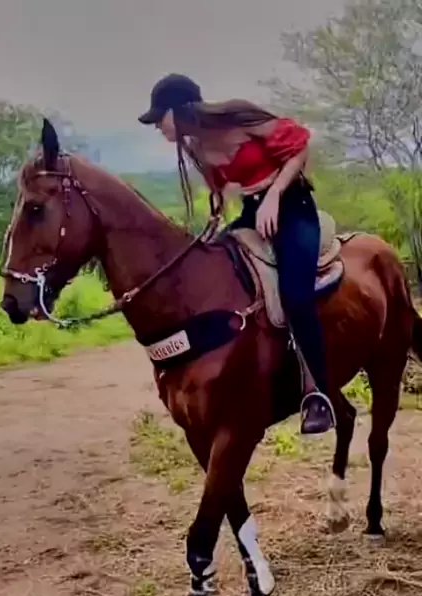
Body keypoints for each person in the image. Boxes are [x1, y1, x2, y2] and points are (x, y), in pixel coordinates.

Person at [138, 72, 335, 435]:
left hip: (292, 206)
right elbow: (220, 188)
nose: (157, 127)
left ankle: (317, 393)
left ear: (180, 110)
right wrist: (215, 213)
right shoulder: (196, 146)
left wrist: (274, 195)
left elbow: (299, 146)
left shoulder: (237, 117)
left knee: (295, 294)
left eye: (159, 118)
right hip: (252, 212)